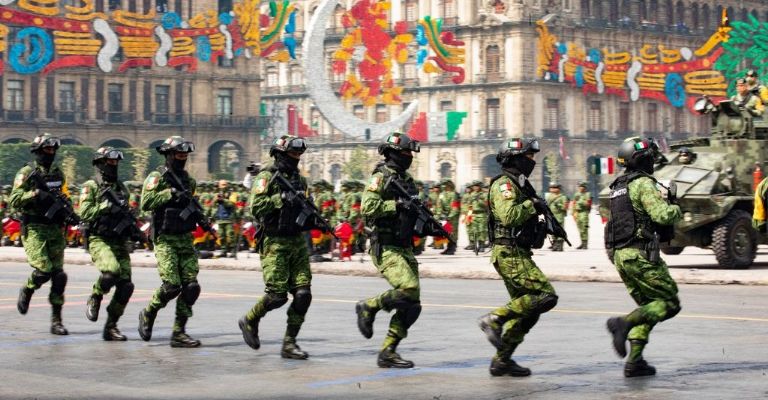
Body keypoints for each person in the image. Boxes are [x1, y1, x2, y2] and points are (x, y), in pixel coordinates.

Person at [477, 137, 558, 377]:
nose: (532, 160)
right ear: (515, 158)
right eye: (528, 156)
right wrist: (533, 205)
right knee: (545, 296)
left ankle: (502, 360)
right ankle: (493, 319)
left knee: (529, 311)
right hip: (509, 251)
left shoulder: (520, 184)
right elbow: (509, 215)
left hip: (518, 251)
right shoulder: (504, 184)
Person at [605, 137, 682, 377]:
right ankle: (624, 323)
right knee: (669, 303)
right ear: (644, 159)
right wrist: (676, 206)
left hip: (621, 255)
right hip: (641, 255)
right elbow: (662, 215)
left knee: (649, 307)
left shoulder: (618, 187)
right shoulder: (643, 184)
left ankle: (635, 361)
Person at [239, 135, 314, 360]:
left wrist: (311, 215)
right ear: (281, 154)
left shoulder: (300, 180)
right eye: (292, 154)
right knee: (277, 296)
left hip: (297, 241)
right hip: (274, 242)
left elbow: (306, 205)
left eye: (299, 155)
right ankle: (250, 319)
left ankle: (289, 344)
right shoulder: (267, 177)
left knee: (303, 294)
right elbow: (256, 207)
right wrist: (280, 198)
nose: (297, 158)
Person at [356, 131, 423, 368]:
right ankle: (369, 306)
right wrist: (395, 204)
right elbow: (368, 206)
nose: (408, 156)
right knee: (408, 288)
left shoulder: (407, 180)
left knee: (413, 305)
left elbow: (413, 210)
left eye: (409, 153)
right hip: (385, 245)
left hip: (404, 244)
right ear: (392, 153)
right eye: (404, 152)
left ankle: (388, 352)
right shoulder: (380, 177)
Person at [137, 136, 203, 348]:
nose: (182, 158)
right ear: (169, 155)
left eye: (185, 155)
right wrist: (169, 193)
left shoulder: (189, 181)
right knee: (172, 286)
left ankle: (179, 332)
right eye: (178, 154)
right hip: (164, 237)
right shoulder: (157, 177)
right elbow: (145, 203)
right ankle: (149, 312)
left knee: (192, 287)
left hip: (184, 236)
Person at [12, 133, 73, 335]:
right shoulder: (27, 173)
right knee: (43, 270)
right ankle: (28, 288)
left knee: (59, 276)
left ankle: (57, 320)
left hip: (55, 228)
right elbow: (15, 199)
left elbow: (65, 195)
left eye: (53, 150)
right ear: (38, 151)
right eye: (47, 150)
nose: (51, 153)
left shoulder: (58, 173)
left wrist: (69, 211)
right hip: (35, 228)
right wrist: (35, 194)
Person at [80, 147, 135, 341]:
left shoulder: (122, 188)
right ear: (100, 164)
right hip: (99, 238)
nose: (113, 165)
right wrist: (105, 206)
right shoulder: (91, 186)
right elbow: (85, 213)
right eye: (109, 162)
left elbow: (128, 212)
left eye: (115, 162)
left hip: (119, 239)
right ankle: (96, 295)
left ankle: (111, 326)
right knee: (111, 272)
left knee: (126, 285)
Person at [212, 180, 238, 258]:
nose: (224, 186)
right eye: (222, 185)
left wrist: (223, 200)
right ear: (219, 185)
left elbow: (232, 204)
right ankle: (223, 251)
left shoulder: (232, 193)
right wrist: (216, 199)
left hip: (228, 219)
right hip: (220, 219)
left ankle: (233, 251)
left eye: (225, 184)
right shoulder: (217, 194)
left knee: (230, 235)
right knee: (221, 236)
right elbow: (213, 205)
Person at [437, 179, 460, 255]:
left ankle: (452, 248)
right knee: (446, 232)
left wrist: (450, 216)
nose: (443, 186)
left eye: (445, 185)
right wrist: (439, 215)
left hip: (452, 217)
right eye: (443, 185)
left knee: (452, 233)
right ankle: (448, 248)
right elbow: (439, 206)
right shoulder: (441, 195)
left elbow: (455, 207)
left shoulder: (454, 194)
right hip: (444, 217)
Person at [545, 182, 568, 252]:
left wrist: (559, 205)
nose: (552, 189)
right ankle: (554, 245)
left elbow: (565, 207)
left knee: (560, 231)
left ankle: (560, 246)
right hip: (551, 216)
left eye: (554, 188)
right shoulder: (548, 197)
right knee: (552, 231)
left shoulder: (563, 197)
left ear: (558, 189)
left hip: (559, 216)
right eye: (551, 188)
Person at [572, 181, 592, 249]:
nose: (581, 188)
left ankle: (585, 244)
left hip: (584, 212)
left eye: (582, 186)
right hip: (578, 212)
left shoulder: (587, 194)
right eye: (580, 186)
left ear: (585, 187)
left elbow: (587, 204)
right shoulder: (576, 194)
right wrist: (573, 213)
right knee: (580, 228)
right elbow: (574, 204)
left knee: (584, 228)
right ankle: (582, 243)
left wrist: (580, 201)